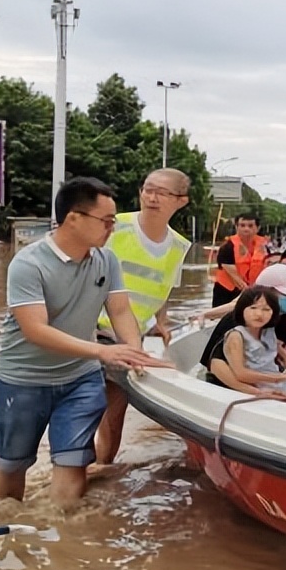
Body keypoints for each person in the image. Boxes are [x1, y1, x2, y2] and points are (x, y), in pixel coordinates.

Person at [0, 177, 170, 509]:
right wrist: (104, 351)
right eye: (106, 221)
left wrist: (134, 350)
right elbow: (36, 330)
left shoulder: (106, 260)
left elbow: (119, 309)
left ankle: (63, 536)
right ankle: (5, 529)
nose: (112, 229)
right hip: (23, 380)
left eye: (113, 221)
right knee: (13, 463)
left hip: (81, 379)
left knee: (73, 464)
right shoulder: (28, 264)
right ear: (73, 218)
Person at [94, 168, 192, 466]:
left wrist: (161, 323)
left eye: (161, 192)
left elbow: (163, 289)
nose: (152, 197)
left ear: (181, 201)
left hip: (131, 339)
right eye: (147, 189)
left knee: (114, 418)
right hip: (91, 331)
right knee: (82, 410)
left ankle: (101, 473)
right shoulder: (115, 227)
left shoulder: (179, 246)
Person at [209, 286, 286, 400]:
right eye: (253, 308)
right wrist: (277, 378)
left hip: (283, 383)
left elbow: (280, 354)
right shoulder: (236, 336)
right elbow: (241, 374)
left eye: (266, 310)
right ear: (241, 309)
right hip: (264, 387)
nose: (259, 314)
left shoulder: (269, 332)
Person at [212, 214, 270, 307]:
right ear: (236, 227)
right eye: (242, 225)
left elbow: (268, 266)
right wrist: (247, 289)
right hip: (227, 289)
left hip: (253, 288)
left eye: (250, 226)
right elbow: (230, 269)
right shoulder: (228, 246)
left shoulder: (264, 246)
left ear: (257, 228)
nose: (246, 229)